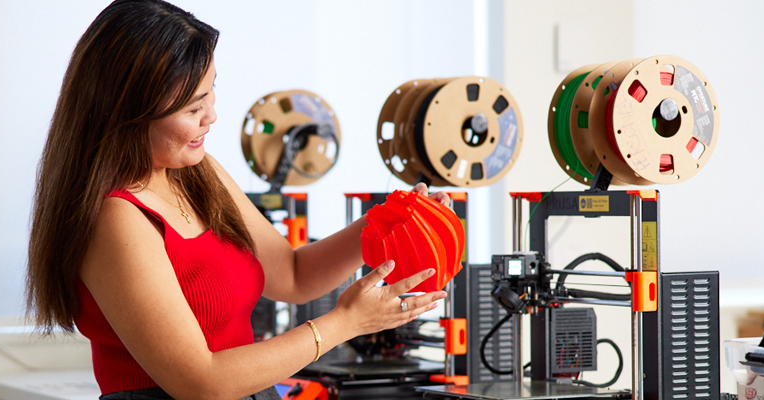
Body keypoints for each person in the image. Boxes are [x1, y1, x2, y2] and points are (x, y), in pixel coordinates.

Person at [25, 1, 449, 400]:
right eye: (193, 108)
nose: (211, 116)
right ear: (127, 113)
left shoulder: (196, 171)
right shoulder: (117, 217)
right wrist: (344, 323)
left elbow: (293, 276)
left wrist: (385, 222)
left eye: (211, 93)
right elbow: (200, 382)